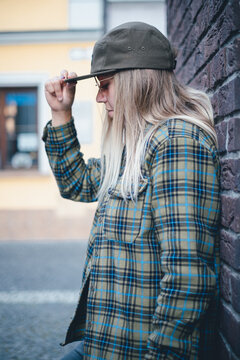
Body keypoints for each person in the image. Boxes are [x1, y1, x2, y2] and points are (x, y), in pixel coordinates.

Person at [43, 22, 220, 360]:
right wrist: (61, 113)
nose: (99, 96)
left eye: (106, 84)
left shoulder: (176, 143)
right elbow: (77, 183)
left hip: (140, 350)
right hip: (104, 343)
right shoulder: (133, 147)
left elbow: (187, 277)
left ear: (135, 82)